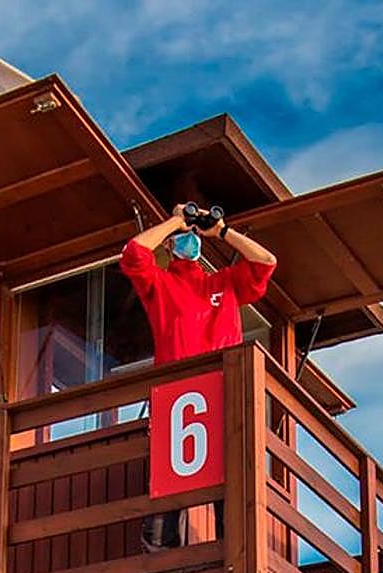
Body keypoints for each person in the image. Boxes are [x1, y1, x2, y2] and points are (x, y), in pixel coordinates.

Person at [119, 203, 278, 551]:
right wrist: (176, 221)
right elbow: (133, 253)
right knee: (167, 497)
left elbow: (266, 262)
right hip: (176, 404)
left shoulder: (223, 283)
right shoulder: (160, 285)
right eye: (181, 238)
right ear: (168, 245)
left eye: (192, 236)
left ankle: (235, 560)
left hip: (223, 398)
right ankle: (162, 570)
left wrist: (220, 231)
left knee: (231, 493)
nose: (189, 239)